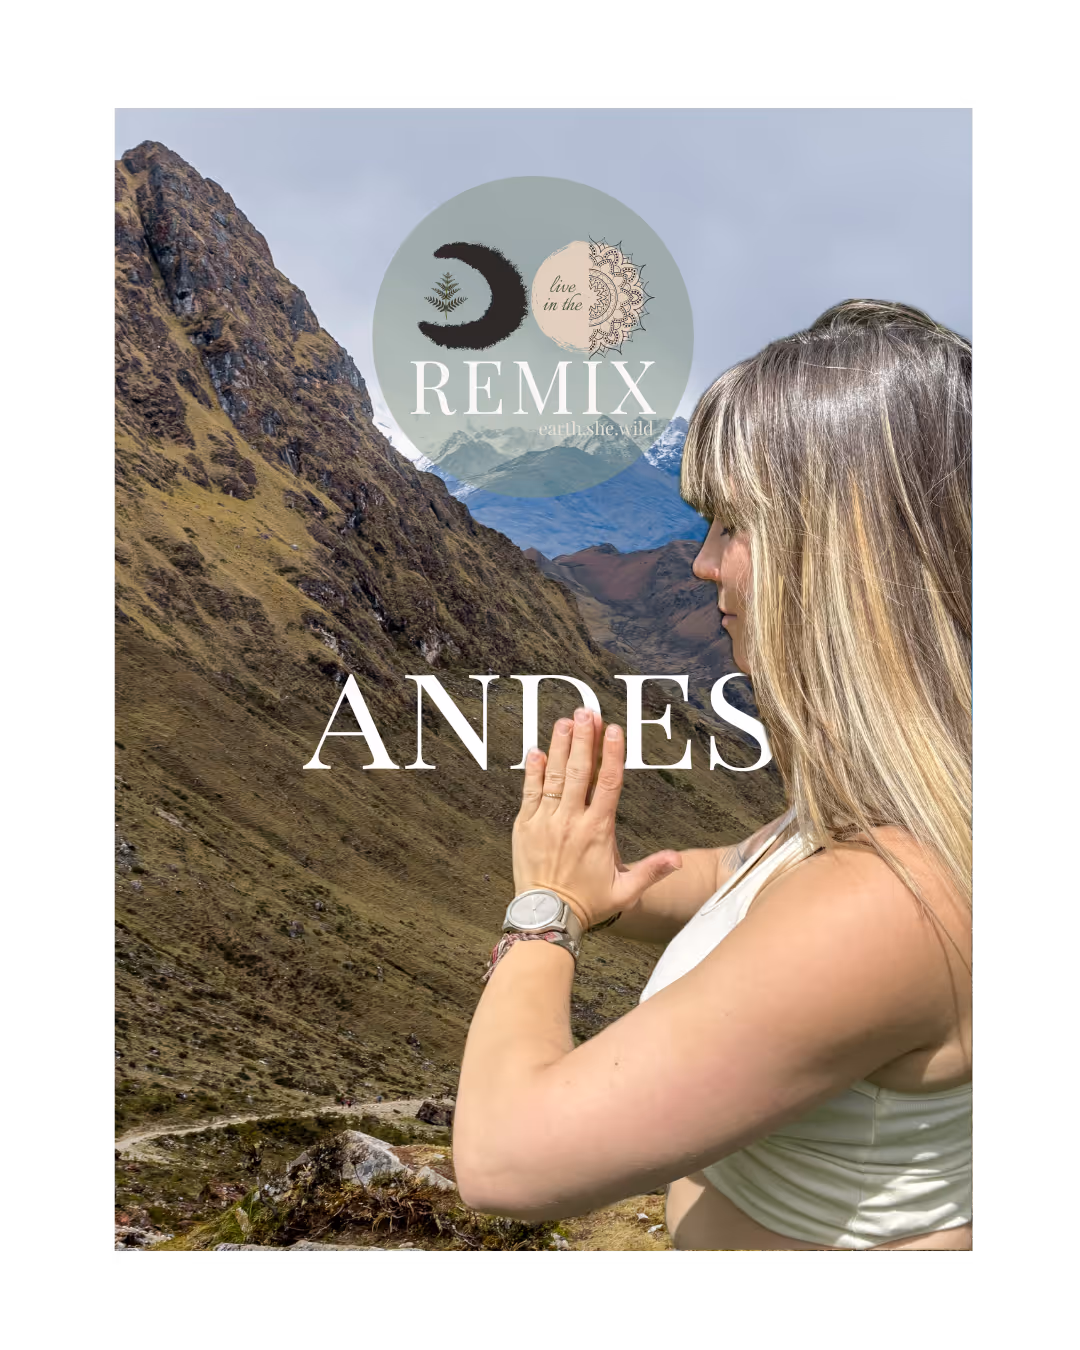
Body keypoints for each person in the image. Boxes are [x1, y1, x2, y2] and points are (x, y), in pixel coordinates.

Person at [452, 301, 972, 1251]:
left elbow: (504, 1159)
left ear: (836, 554)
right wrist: (609, 889)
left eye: (734, 525)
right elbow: (743, 872)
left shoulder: (890, 899)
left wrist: (544, 911)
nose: (700, 564)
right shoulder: (894, 812)